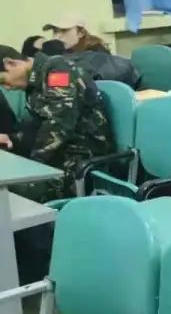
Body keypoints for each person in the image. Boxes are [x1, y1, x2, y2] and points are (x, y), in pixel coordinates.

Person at [1, 51, 113, 283]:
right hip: (59, 157)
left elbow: (58, 128)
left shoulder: (58, 72)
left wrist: (29, 167)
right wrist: (13, 140)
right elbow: (38, 128)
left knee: (16, 195)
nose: (7, 88)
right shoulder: (37, 82)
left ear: (11, 63)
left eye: (4, 80)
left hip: (79, 161)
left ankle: (36, 272)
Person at [43, 14, 109, 54]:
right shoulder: (60, 52)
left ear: (81, 33)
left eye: (64, 30)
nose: (57, 36)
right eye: (55, 31)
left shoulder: (98, 54)